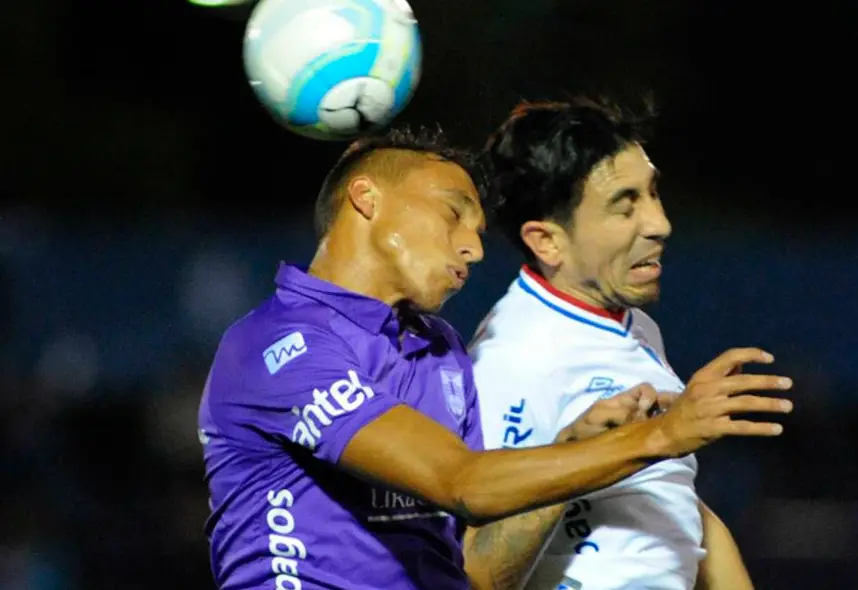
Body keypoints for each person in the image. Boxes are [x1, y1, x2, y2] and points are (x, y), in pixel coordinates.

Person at [197, 128, 794, 590]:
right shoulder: (275, 346)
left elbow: (480, 573)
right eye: (454, 213)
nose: (474, 247)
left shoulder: (440, 352)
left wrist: (566, 451)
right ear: (366, 198)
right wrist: (666, 434)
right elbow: (462, 483)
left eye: (481, 229)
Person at [470, 98, 779, 590]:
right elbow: (475, 571)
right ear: (547, 241)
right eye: (625, 206)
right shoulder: (515, 357)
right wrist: (574, 456)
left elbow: (673, 500)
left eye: (653, 194)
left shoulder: (629, 324)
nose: (659, 224)